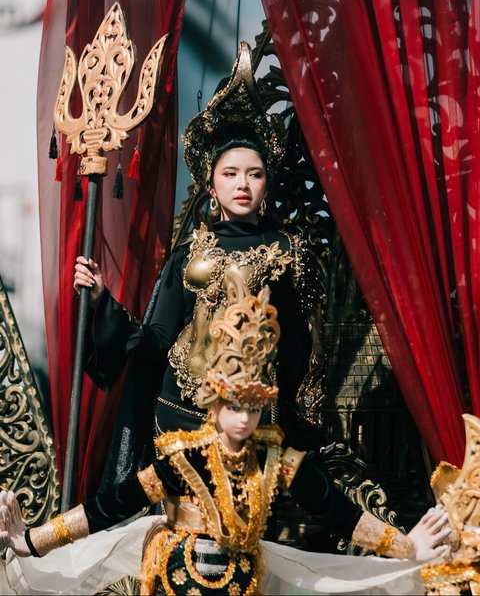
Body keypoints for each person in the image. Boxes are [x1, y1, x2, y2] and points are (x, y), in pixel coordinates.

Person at [0, 276, 450, 596]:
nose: (243, 419)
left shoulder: (277, 460)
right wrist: (35, 540)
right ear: (213, 402)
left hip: (244, 580)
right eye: (234, 406)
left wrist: (407, 545)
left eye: (253, 408)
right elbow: (113, 504)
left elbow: (335, 509)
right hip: (177, 577)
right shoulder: (184, 458)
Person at [75, 42, 322, 488]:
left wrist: (290, 427)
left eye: (254, 173)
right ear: (211, 185)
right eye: (230, 174)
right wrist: (101, 302)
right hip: (178, 412)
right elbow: (156, 340)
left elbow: (300, 352)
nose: (242, 184)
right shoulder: (189, 252)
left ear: (267, 184)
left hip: (250, 421)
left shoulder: (290, 250)